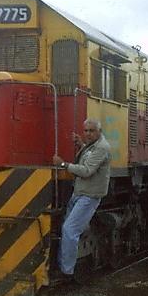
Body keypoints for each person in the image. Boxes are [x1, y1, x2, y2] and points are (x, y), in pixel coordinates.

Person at [52, 118, 111, 278]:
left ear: (99, 131)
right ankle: (61, 266)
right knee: (66, 227)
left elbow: (86, 171)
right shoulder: (92, 146)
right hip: (79, 194)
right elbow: (89, 155)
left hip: (89, 196)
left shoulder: (102, 147)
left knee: (69, 230)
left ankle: (67, 273)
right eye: (86, 131)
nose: (88, 134)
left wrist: (63, 165)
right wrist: (81, 145)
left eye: (92, 131)